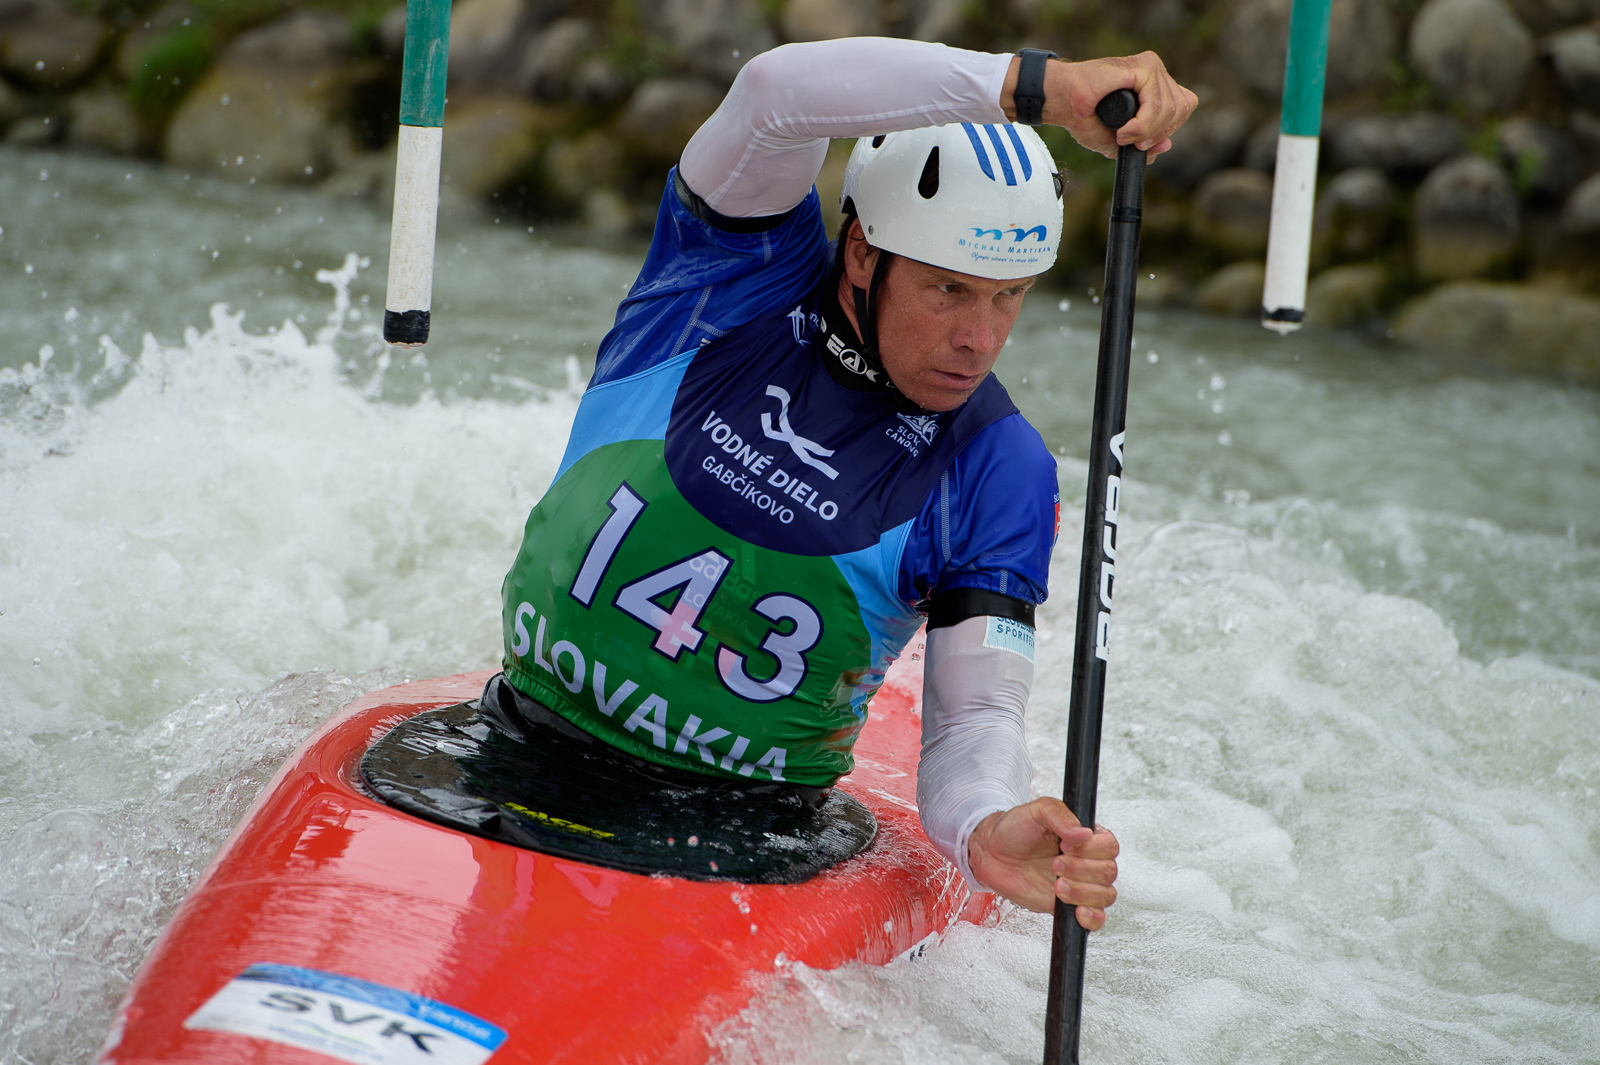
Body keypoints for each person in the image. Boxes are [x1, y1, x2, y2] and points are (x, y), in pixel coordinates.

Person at [495, 38, 1196, 929]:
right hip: (521, 737)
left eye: (1009, 295)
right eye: (949, 289)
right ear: (863, 254)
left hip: (746, 834)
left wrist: (981, 822)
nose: (980, 339)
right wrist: (1039, 88)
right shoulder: (725, 273)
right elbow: (771, 92)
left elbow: (974, 712)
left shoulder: (996, 464)